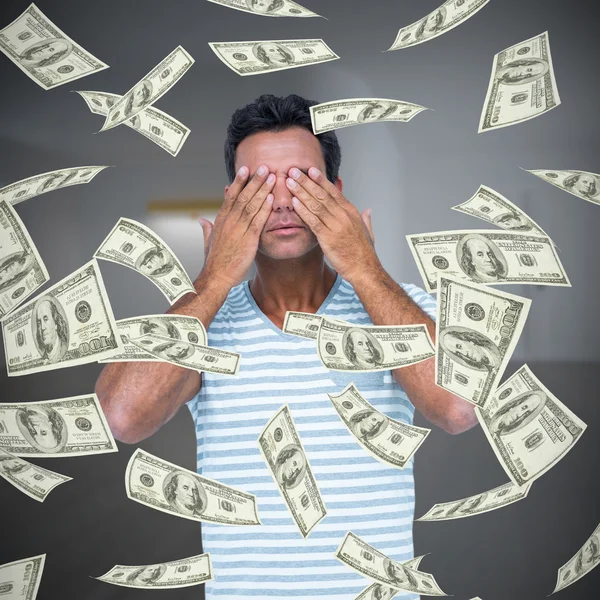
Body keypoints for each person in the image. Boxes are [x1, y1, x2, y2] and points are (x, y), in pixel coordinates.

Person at [96, 93, 478, 599]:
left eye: (301, 181)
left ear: (337, 194)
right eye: (257, 184)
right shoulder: (201, 321)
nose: (279, 201)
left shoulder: (400, 308)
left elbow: (459, 408)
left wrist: (364, 268)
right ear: (231, 199)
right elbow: (121, 418)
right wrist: (210, 283)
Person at [34, 297, 69, 363]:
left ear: (55, 322)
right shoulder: (43, 357)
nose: (42, 327)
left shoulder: (64, 349)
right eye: (39, 322)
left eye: (46, 319)